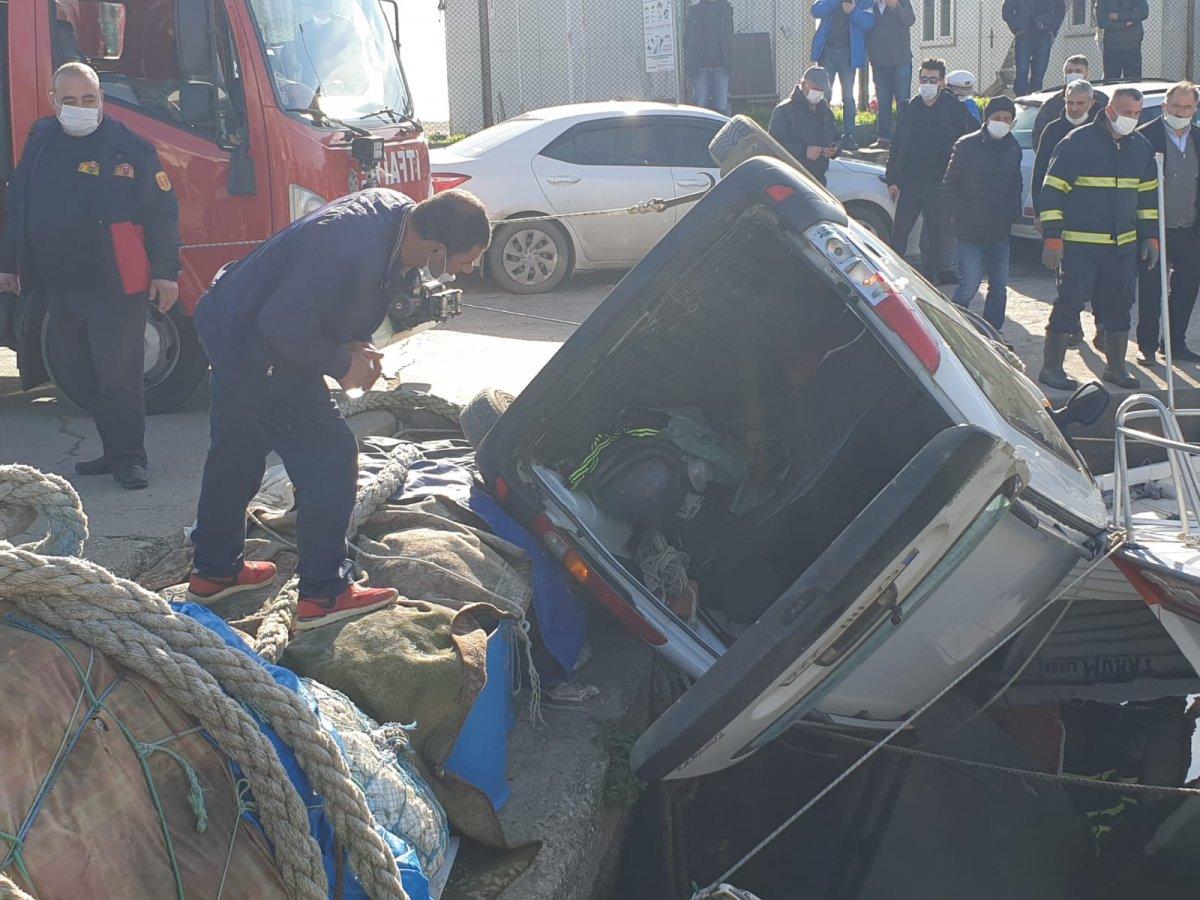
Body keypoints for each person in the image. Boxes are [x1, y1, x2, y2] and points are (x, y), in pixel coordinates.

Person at [186, 189, 490, 629]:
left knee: (237, 450)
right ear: (437, 251)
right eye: (466, 261)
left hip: (233, 322)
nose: (469, 270)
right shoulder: (346, 246)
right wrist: (341, 364)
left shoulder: (397, 215)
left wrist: (352, 342)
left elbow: (330, 299)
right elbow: (282, 324)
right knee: (329, 457)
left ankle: (214, 570)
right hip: (257, 344)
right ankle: (324, 593)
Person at [0, 62, 179, 490]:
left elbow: (163, 214)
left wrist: (167, 272)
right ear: (53, 101)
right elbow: (18, 203)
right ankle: (111, 449)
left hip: (113, 285)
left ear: (102, 98)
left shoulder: (131, 147)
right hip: (56, 285)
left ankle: (130, 458)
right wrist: (9, 263)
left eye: (88, 100)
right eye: (70, 101)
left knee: (119, 376)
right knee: (78, 373)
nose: (79, 108)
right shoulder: (41, 139)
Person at [1037, 87, 1158, 391]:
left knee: (1120, 304)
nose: (1130, 118)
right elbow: (1052, 190)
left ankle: (1116, 368)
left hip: (1122, 247)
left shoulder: (1141, 148)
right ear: (1108, 111)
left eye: (1135, 113)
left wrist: (1151, 238)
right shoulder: (1077, 143)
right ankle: (1051, 369)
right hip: (1080, 245)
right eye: (1125, 112)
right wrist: (1053, 237)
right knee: (1070, 304)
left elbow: (1147, 199)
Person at [885, 58, 969, 283]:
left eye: (933, 80)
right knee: (900, 232)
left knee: (936, 234)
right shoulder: (910, 107)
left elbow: (966, 142)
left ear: (942, 82)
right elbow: (897, 145)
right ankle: (893, 274)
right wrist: (892, 179)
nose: (928, 84)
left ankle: (933, 277)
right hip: (911, 182)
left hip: (939, 182)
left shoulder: (954, 109)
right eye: (924, 79)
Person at [943, 97, 1024, 330]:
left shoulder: (1013, 147)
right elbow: (950, 185)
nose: (1001, 122)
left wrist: (1012, 215)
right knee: (969, 284)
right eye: (997, 118)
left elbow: (1015, 184)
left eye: (1007, 119)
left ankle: (992, 334)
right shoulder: (966, 145)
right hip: (969, 231)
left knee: (999, 286)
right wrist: (960, 214)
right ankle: (955, 329)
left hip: (999, 231)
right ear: (987, 119)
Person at [1135, 83, 1200, 365]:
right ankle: (1146, 346)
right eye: (1176, 106)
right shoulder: (1144, 137)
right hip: (1154, 229)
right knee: (1151, 288)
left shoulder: (1198, 137)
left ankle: (1174, 343)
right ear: (1165, 105)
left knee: (1187, 287)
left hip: (1189, 228)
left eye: (1187, 107)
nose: (1181, 112)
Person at [810, 0, 875, 151]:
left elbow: (869, 23)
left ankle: (849, 136)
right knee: (823, 95)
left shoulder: (865, 2)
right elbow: (815, 11)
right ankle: (822, 134)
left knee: (848, 97)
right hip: (827, 53)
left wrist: (853, 10)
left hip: (848, 55)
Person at [1033, 79, 1097, 215]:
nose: (1074, 108)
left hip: (1092, 207)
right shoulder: (1052, 130)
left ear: (1091, 103)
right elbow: (1040, 171)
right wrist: (1038, 213)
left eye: (1080, 103)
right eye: (1069, 102)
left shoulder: (1099, 131)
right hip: (1058, 205)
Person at [768, 66, 840, 185]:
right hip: (791, 178)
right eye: (815, 88)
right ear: (803, 83)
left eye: (822, 90)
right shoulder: (784, 110)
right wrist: (803, 151)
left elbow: (835, 136)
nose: (818, 92)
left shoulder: (825, 110)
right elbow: (773, 144)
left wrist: (835, 150)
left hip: (819, 179)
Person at [866, 0, 915, 150]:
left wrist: (894, 6)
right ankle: (884, 139)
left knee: (903, 101)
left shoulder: (901, 2)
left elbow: (910, 19)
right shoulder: (870, 5)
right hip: (879, 62)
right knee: (883, 101)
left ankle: (904, 138)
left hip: (901, 61)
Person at [1031, 55, 1109, 148]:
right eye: (1069, 71)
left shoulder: (1102, 100)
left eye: (1078, 71)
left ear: (1087, 74)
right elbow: (1038, 137)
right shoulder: (1051, 104)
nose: (1073, 74)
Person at [1002, 0, 1066, 97]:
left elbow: (1060, 9)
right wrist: (1016, 27)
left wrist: (1051, 27)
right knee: (1022, 70)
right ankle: (1020, 99)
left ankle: (1035, 98)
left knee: (1039, 70)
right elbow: (1006, 10)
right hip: (1023, 34)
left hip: (1044, 34)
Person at [684, 0, 735, 115]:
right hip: (700, 66)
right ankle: (701, 132)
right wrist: (691, 57)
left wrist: (730, 57)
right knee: (700, 107)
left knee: (722, 106)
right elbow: (686, 38)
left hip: (722, 65)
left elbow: (729, 35)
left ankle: (725, 132)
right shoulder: (694, 10)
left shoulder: (726, 9)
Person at [1094, 0, 1149, 81]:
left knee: (1133, 80)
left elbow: (1143, 13)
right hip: (1112, 46)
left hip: (1132, 44)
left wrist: (1118, 16)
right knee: (1111, 81)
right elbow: (1102, 22)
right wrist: (1124, 24)